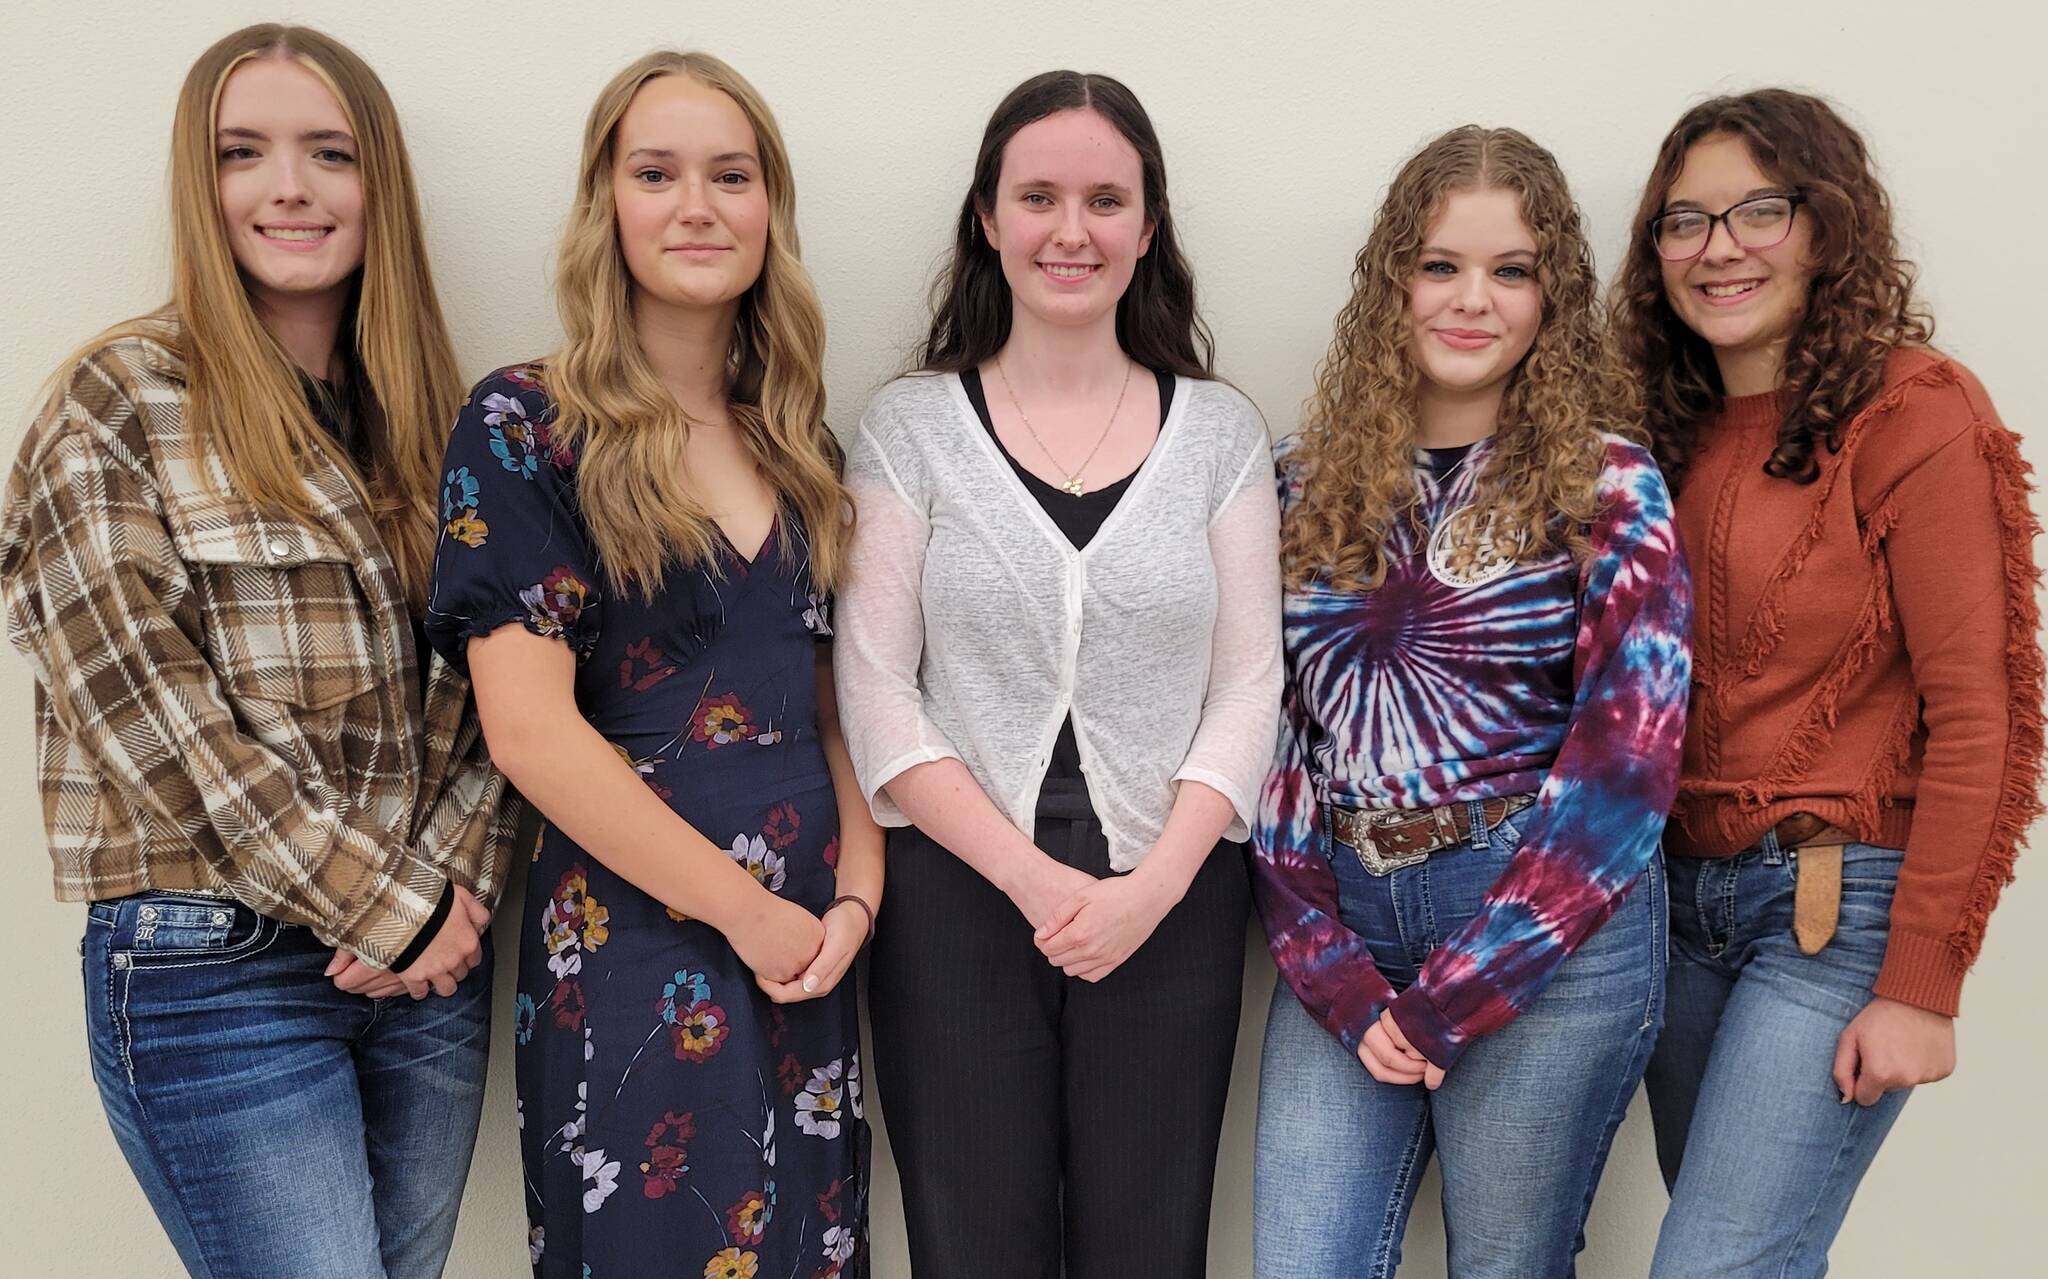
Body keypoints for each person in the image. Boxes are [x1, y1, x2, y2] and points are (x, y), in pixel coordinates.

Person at [0, 23, 511, 1279]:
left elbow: (502, 692)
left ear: (375, 182)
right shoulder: (116, 401)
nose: (290, 186)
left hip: (425, 973)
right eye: (245, 153)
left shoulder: (434, 425)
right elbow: (148, 721)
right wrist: (387, 905)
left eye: (328, 152)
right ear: (200, 181)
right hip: (212, 966)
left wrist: (450, 890)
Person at [424, 50, 877, 1279]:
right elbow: (529, 734)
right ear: (603, 205)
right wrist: (745, 914)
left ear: (769, 207)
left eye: (730, 175)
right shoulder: (524, 424)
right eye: (656, 173)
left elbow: (829, 713)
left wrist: (852, 902)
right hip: (635, 945)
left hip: (810, 941)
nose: (696, 205)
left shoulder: (797, 440)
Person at [832, 69, 1282, 1279]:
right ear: (988, 218)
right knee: (974, 1241)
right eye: (1037, 197)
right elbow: (873, 684)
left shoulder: (1218, 436)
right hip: (955, 893)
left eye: (1103, 198)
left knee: (1149, 1244)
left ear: (1147, 225)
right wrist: (1032, 878)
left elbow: (1249, 686)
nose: (1069, 230)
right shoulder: (910, 427)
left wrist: (1151, 886)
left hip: (1173, 900)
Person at [1612, 88, 2044, 1278]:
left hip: (1831, 913)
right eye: (1681, 222)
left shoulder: (1912, 411)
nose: (1718, 249)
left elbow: (1984, 713)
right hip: (1669, 915)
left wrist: (1922, 984)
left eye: (1758, 210)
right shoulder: (1654, 430)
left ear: (1826, 225)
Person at [1250, 126, 1692, 1278]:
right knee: (1304, 1257)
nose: (1471, 300)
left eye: (1510, 270)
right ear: (1390, 279)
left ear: (1551, 295)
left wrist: (1461, 989)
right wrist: (1331, 971)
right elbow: (1279, 738)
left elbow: (1626, 764)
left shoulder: (1607, 483)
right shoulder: (1300, 480)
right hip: (1342, 925)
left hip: (1544, 930)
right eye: (1439, 264)